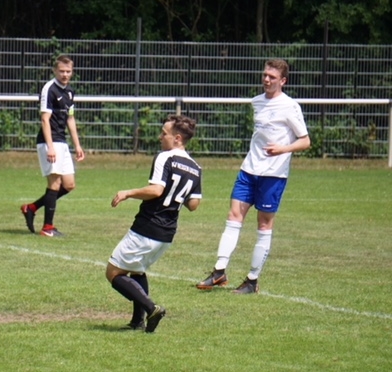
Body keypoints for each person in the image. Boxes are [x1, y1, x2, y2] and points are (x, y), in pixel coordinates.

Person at [197, 58, 310, 294]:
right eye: (265, 75)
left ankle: (252, 280)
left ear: (283, 81)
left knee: (264, 224)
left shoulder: (290, 106)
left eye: (272, 77)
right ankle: (219, 271)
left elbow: (305, 141)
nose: (266, 79)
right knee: (233, 216)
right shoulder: (257, 102)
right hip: (248, 170)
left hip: (273, 175)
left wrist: (283, 149)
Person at [106, 115, 202, 333]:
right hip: (167, 233)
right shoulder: (196, 167)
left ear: (177, 138)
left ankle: (152, 308)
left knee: (114, 272)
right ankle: (137, 321)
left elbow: (156, 190)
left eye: (164, 133)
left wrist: (128, 193)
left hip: (148, 225)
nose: (160, 137)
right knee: (137, 270)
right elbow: (193, 204)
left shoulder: (165, 158)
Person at [20, 55, 85, 237]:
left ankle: (31, 208)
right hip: (49, 141)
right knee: (55, 183)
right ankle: (47, 228)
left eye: (68, 71)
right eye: (62, 71)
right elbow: (45, 119)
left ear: (72, 71)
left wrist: (77, 145)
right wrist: (50, 146)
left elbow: (70, 118)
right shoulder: (49, 89)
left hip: (62, 142)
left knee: (69, 184)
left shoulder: (69, 91)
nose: (65, 74)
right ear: (55, 71)